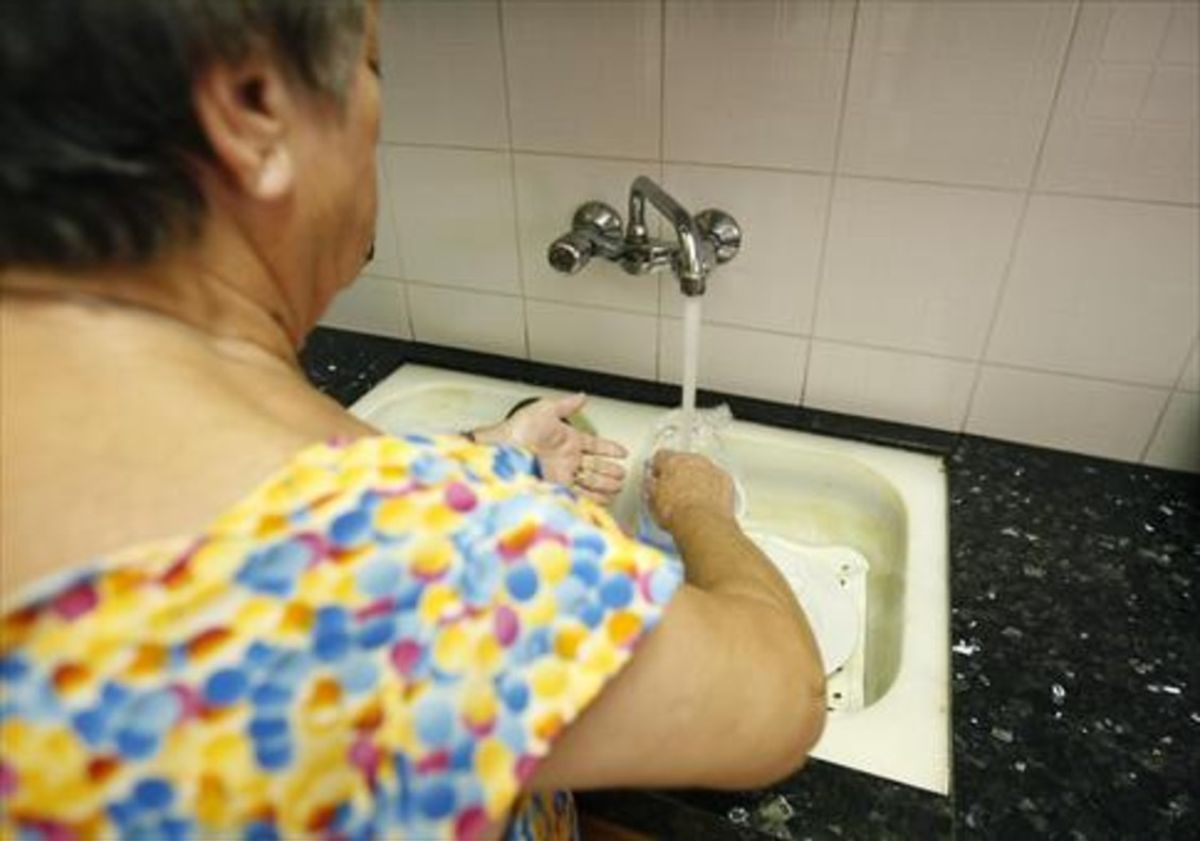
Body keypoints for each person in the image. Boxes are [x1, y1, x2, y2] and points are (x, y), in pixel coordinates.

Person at [0, 1, 826, 838]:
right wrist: (699, 510)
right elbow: (780, 698)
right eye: (373, 71)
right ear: (253, 109)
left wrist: (478, 458)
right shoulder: (412, 553)